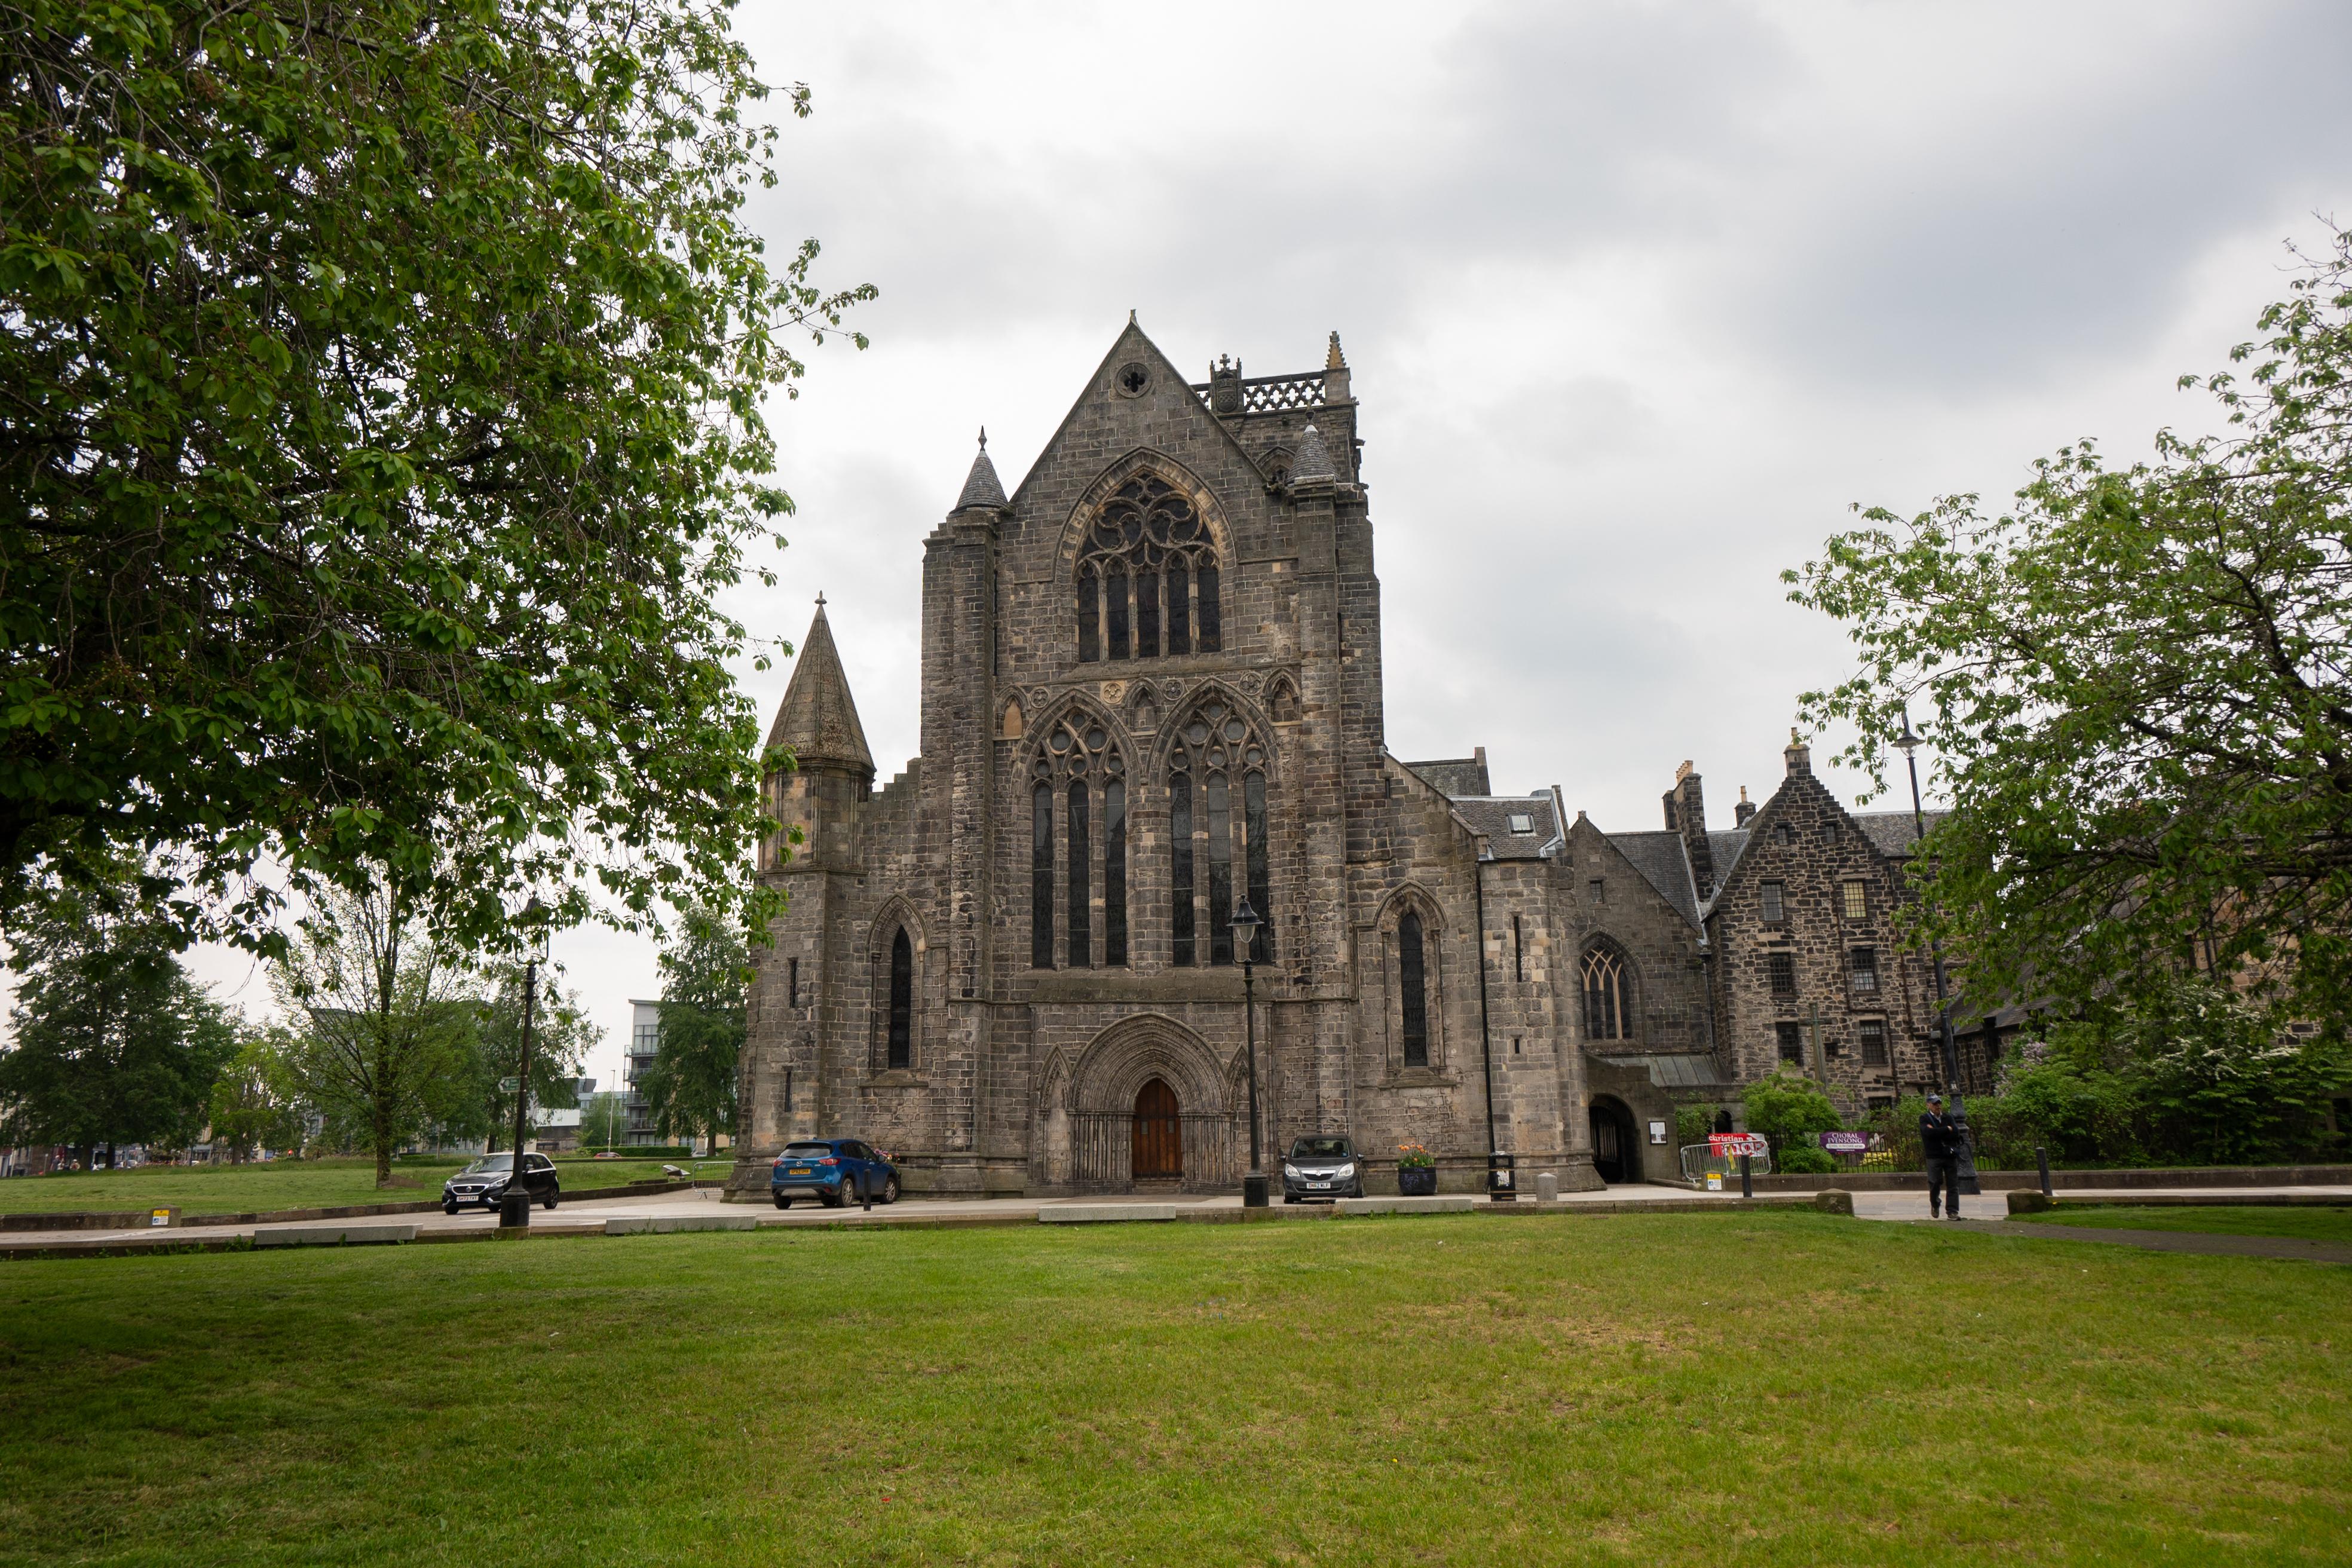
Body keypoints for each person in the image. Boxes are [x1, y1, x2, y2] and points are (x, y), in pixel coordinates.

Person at [1921, 1093, 1964, 1220]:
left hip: (1949, 1155)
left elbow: (1956, 1133)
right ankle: (1935, 1204)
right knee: (1934, 1182)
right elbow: (1928, 1133)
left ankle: (1952, 1211)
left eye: (1939, 1103)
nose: (1938, 1106)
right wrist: (1947, 1129)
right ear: (1928, 1105)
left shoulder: (1948, 1117)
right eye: (1935, 1103)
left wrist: (1940, 1131)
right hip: (1933, 1156)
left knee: (1953, 1184)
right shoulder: (1924, 1118)